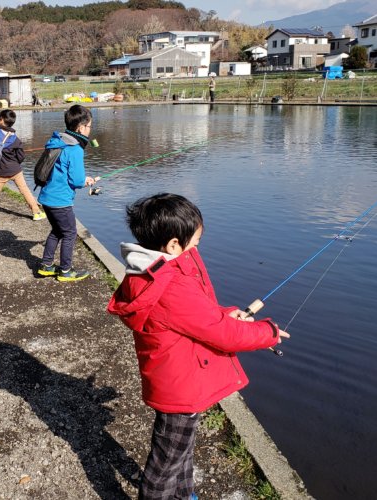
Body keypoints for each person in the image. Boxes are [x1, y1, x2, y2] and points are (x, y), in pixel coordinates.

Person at [107, 193, 289, 500]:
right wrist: (266, 331)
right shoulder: (169, 285)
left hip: (182, 376)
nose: (198, 246)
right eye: (196, 240)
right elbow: (221, 334)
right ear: (173, 244)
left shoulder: (162, 264)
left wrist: (224, 313)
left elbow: (200, 315)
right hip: (181, 387)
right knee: (164, 465)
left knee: (181, 450)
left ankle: (184, 494)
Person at [35, 104, 97, 282]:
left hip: (46, 197)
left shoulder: (58, 141)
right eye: (89, 126)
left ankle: (46, 266)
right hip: (60, 200)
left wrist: (83, 179)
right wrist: (87, 180)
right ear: (81, 127)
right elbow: (77, 180)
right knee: (70, 233)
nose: (89, 130)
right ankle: (65, 271)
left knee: (57, 230)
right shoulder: (75, 149)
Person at [0, 109, 45, 224]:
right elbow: (21, 157)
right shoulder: (15, 139)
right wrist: (14, 162)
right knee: (25, 190)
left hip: (0, 171)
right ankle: (36, 213)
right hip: (15, 170)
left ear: (1, 120)